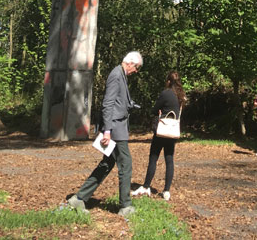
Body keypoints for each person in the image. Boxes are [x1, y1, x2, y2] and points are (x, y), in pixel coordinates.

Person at [67, 51, 143, 218]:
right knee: (126, 163)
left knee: (107, 164)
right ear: (130, 63)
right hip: (115, 129)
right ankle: (126, 206)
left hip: (117, 127)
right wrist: (107, 131)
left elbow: (116, 102)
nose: (136, 71)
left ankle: (79, 198)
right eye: (137, 67)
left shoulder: (120, 75)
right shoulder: (116, 75)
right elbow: (107, 104)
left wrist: (128, 105)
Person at [132, 70, 186, 201]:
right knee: (169, 159)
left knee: (153, 158)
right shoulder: (181, 95)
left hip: (162, 130)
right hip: (172, 131)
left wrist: (159, 111)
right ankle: (166, 191)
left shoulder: (166, 93)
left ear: (168, 80)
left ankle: (146, 187)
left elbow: (154, 110)